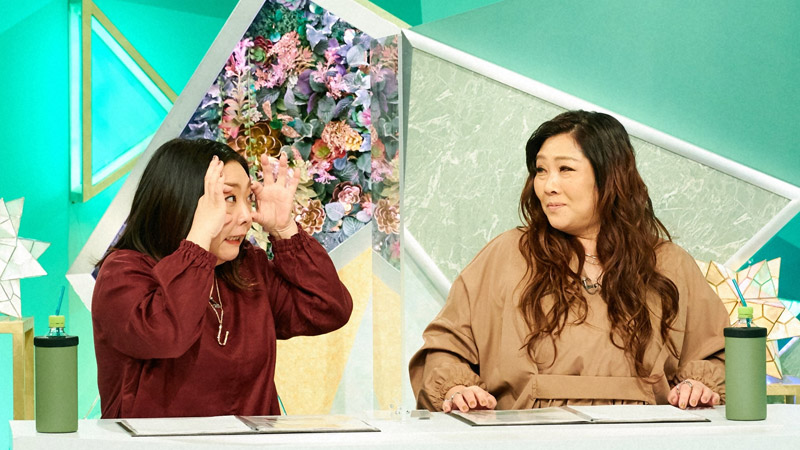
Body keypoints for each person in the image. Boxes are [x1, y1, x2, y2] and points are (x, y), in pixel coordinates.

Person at [409, 110, 729, 413]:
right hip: (525, 440)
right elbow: (445, 349)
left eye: (565, 169)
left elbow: (719, 356)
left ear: (610, 176)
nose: (549, 186)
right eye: (541, 170)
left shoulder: (670, 264)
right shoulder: (505, 255)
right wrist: (458, 390)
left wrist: (698, 387)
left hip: (644, 439)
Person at [92, 138, 353, 418]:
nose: (246, 215)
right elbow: (166, 335)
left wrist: (285, 228)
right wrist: (199, 239)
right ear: (182, 200)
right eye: (229, 198)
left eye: (248, 198)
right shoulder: (122, 273)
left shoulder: (247, 268)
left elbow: (328, 309)